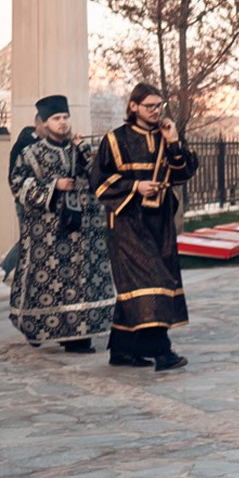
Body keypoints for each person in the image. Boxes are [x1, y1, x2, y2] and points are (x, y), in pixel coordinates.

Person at [91, 84, 194, 371]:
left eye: (159, 105)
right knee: (153, 282)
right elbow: (98, 181)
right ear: (133, 106)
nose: (156, 111)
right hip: (127, 224)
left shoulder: (166, 136)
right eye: (149, 106)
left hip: (160, 222)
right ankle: (162, 352)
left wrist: (173, 141)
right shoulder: (114, 140)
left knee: (135, 289)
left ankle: (122, 351)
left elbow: (184, 171)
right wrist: (136, 186)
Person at [7, 94, 113, 352]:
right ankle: (40, 327)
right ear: (45, 122)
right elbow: (17, 184)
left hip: (83, 230)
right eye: (56, 118)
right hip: (47, 233)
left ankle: (79, 336)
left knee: (80, 281)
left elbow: (100, 176)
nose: (63, 123)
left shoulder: (78, 150)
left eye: (65, 117)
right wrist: (54, 186)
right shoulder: (30, 153)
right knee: (50, 282)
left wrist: (85, 153)